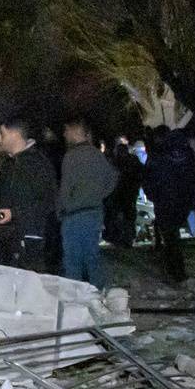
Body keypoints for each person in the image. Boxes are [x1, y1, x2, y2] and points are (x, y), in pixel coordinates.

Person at [0, 115, 56, 271]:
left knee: (28, 287)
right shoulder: (10, 164)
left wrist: (15, 213)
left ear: (15, 135)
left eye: (2, 134)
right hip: (7, 238)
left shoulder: (37, 164)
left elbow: (48, 202)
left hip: (29, 239)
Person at [57, 117, 118, 288]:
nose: (64, 134)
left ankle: (75, 298)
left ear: (75, 132)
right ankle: (97, 293)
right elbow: (112, 179)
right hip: (94, 212)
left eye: (66, 130)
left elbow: (66, 188)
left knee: (72, 260)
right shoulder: (97, 154)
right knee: (92, 256)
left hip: (74, 214)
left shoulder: (71, 156)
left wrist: (61, 209)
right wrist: (98, 195)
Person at [143, 124, 195, 284]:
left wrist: (153, 195)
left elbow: (149, 177)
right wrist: (192, 198)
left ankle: (176, 271)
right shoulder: (186, 151)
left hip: (165, 201)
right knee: (173, 235)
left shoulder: (158, 153)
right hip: (183, 200)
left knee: (170, 236)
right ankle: (175, 270)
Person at [104, 136, 141, 248]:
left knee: (122, 216)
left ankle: (123, 238)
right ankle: (125, 238)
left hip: (122, 194)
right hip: (125, 194)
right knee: (125, 217)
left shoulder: (115, 161)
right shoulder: (131, 160)